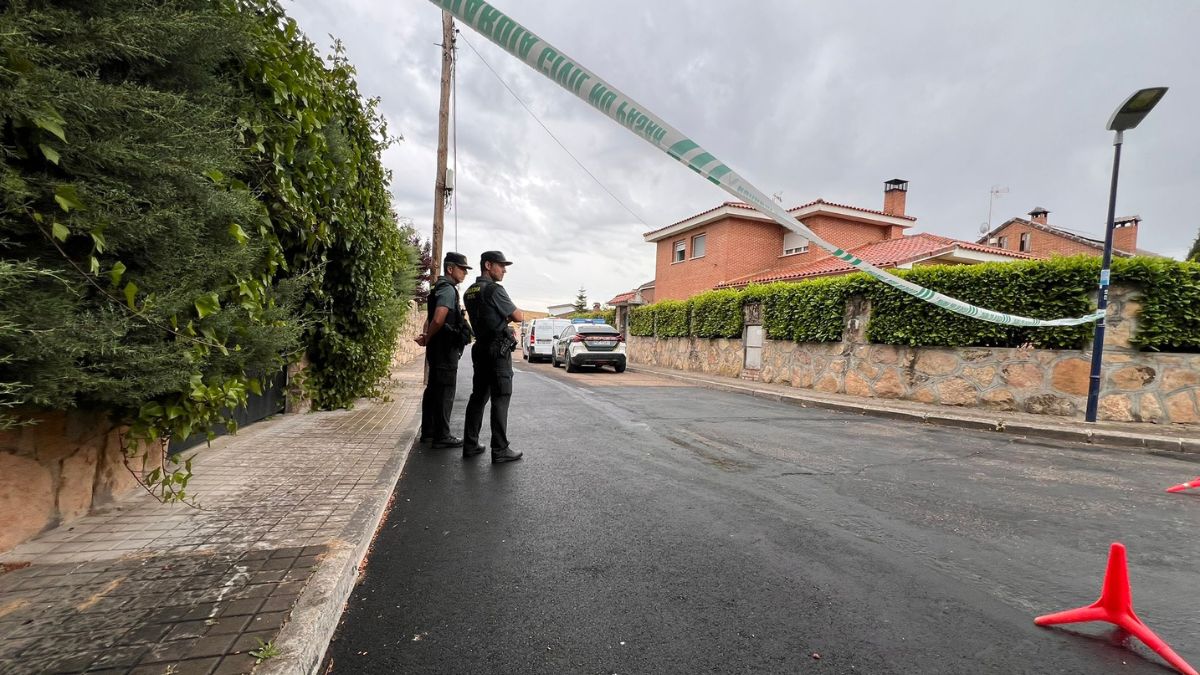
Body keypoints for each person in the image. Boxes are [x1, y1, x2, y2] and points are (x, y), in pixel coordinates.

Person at [462, 250, 524, 462]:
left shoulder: (469, 291)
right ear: (488, 265)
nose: (504, 270)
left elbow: (484, 316)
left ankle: (470, 444)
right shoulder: (495, 290)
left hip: (480, 348)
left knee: (478, 397)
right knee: (501, 397)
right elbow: (518, 316)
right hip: (498, 349)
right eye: (501, 265)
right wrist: (508, 317)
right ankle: (500, 449)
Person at [417, 252, 472, 448]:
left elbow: (430, 318)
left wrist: (426, 337)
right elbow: (439, 318)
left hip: (436, 348)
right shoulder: (448, 290)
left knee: (433, 390)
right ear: (450, 269)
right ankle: (442, 436)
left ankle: (429, 432)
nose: (465, 273)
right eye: (462, 268)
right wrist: (429, 337)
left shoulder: (438, 288)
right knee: (445, 392)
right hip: (445, 349)